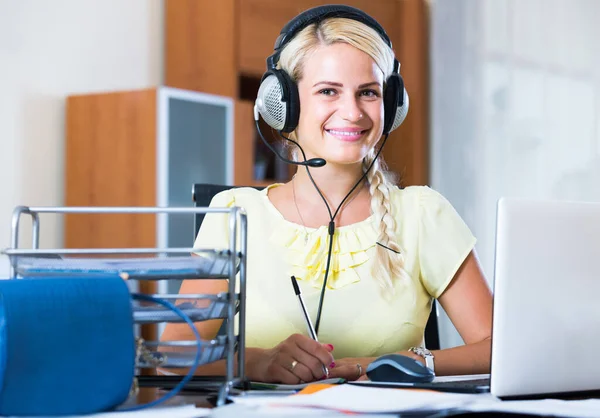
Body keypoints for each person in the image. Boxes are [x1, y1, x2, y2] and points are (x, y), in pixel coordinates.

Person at [161, 5, 492, 384]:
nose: (352, 112)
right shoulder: (236, 214)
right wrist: (257, 362)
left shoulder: (423, 214)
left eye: (368, 92)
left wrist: (415, 360)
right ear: (285, 104)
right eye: (328, 91)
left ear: (390, 104)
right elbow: (170, 358)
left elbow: (499, 347)